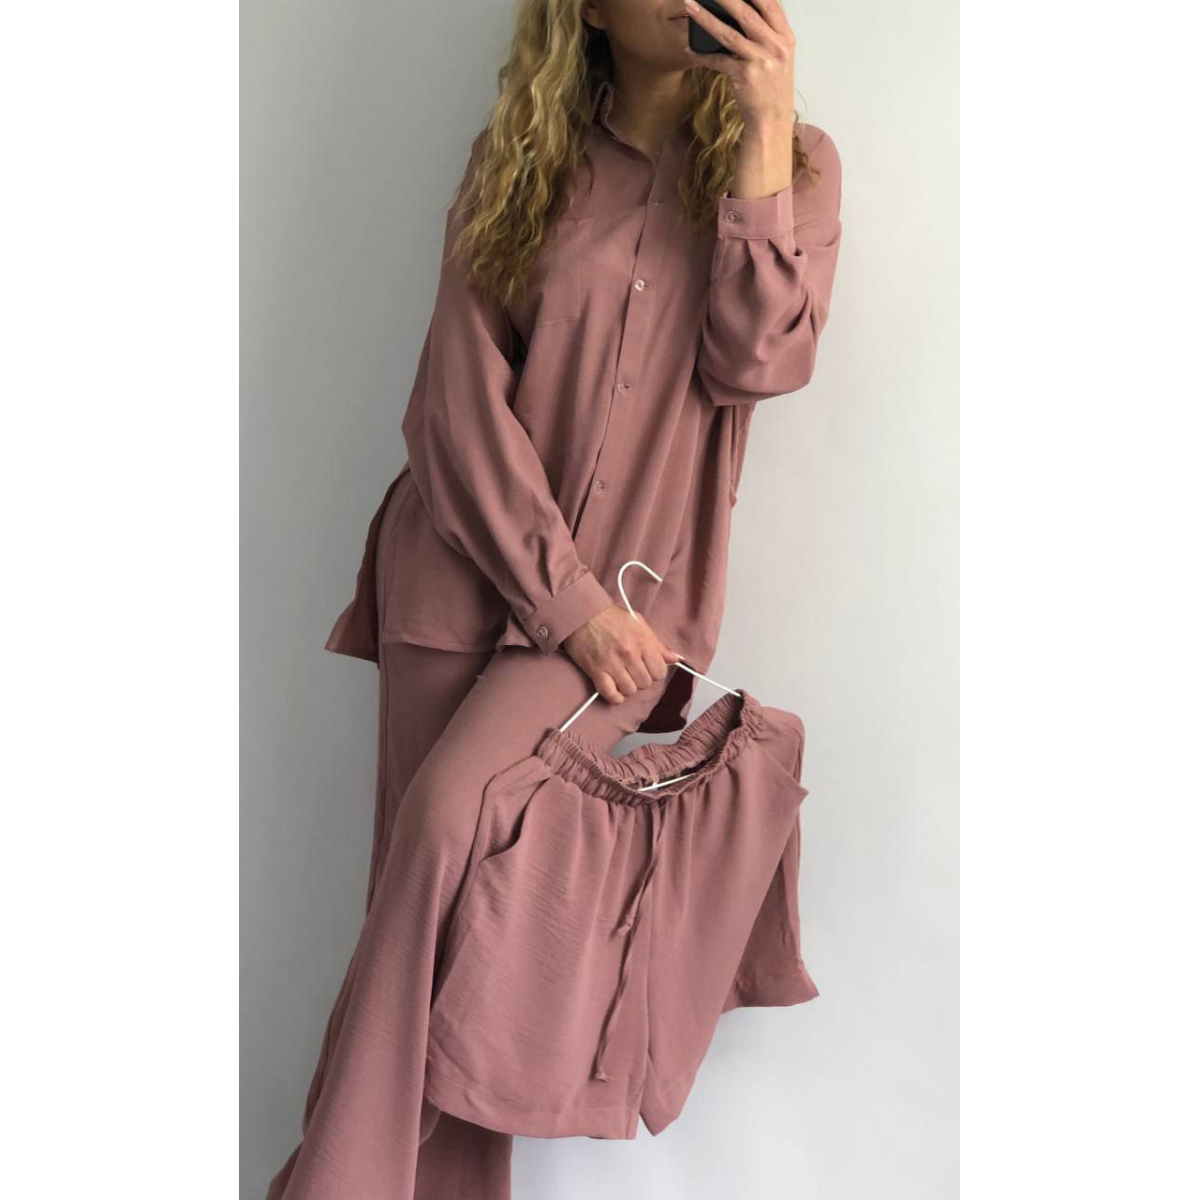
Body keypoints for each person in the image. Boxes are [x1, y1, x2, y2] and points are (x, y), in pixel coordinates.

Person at [266, 1, 843, 1196]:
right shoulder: (523, 158)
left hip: (623, 617)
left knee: (445, 852)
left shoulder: (795, 164)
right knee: (431, 919)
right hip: (459, 575)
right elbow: (453, 403)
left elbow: (762, 359)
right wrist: (561, 597)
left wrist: (763, 126)